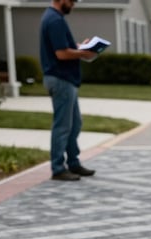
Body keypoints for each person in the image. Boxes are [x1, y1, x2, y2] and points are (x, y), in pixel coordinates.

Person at [40, 0, 97, 181]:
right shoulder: (55, 20)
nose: (73, 4)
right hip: (60, 79)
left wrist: (80, 48)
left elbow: (63, 48)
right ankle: (58, 168)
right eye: (71, 1)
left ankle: (73, 163)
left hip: (65, 79)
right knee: (63, 126)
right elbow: (61, 53)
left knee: (75, 124)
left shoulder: (55, 18)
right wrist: (83, 53)